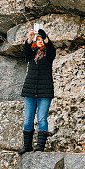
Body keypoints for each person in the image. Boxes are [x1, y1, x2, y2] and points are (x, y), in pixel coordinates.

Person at [19, 26, 56, 154]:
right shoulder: (31, 54)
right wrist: (29, 38)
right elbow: (25, 51)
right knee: (28, 119)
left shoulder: (49, 55)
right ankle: (27, 146)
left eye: (42, 39)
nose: (40, 41)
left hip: (44, 92)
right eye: (38, 39)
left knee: (41, 119)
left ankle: (40, 146)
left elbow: (51, 49)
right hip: (29, 91)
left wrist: (45, 37)